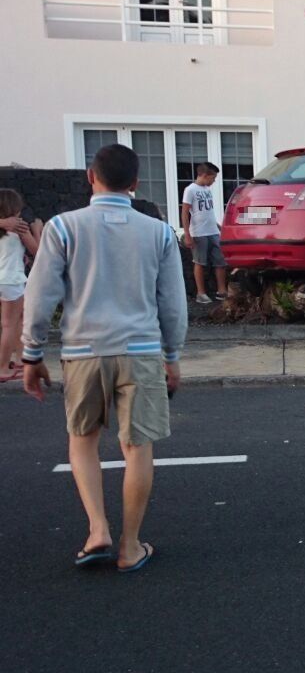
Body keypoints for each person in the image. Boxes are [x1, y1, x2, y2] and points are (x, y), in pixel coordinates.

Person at [22, 144, 187, 573]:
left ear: (90, 177)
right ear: (135, 184)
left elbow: (40, 298)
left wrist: (31, 353)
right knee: (138, 447)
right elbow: (172, 303)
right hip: (142, 352)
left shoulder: (62, 228)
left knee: (83, 442)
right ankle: (131, 547)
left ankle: (98, 531)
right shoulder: (158, 232)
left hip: (83, 350)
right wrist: (173, 355)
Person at [0, 189, 40, 380]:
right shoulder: (20, 228)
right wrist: (37, 230)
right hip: (11, 280)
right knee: (9, 324)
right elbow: (39, 253)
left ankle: (19, 359)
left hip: (5, 278)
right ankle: (2, 368)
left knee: (18, 318)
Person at [181, 162, 227, 304]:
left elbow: (208, 211)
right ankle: (201, 293)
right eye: (213, 178)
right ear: (205, 175)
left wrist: (218, 226)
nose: (213, 181)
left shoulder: (207, 189)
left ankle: (222, 290)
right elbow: (184, 213)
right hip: (199, 233)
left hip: (213, 231)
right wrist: (187, 234)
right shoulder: (190, 190)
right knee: (200, 262)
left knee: (220, 261)